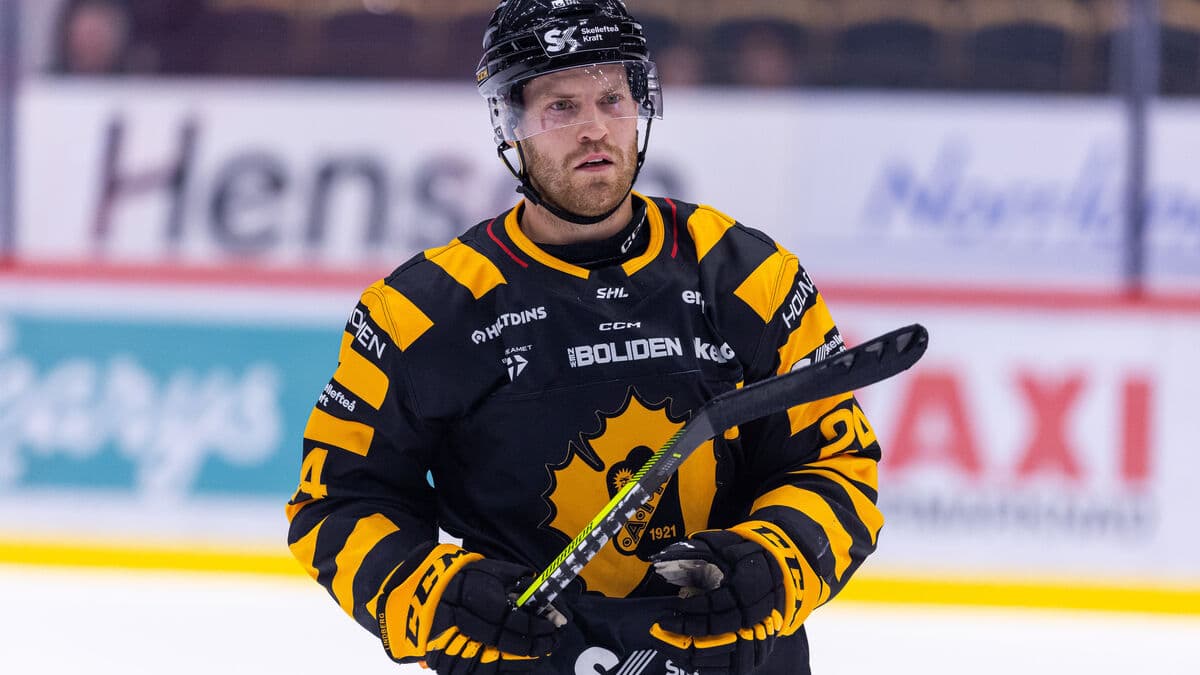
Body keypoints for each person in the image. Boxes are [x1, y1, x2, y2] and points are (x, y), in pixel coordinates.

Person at [286, 2, 883, 673]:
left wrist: (776, 562)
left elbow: (837, 464)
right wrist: (434, 596)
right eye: (561, 108)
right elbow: (340, 501)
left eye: (612, 98)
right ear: (510, 126)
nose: (595, 129)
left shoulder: (747, 275)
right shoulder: (422, 311)